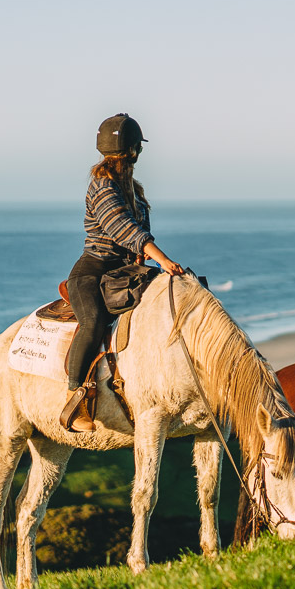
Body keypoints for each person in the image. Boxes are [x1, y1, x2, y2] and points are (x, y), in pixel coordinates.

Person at [61, 113, 184, 432]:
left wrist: (151, 266)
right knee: (93, 322)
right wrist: (165, 261)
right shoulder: (102, 185)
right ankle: (75, 397)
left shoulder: (133, 188)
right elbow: (126, 230)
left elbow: (139, 232)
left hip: (127, 271)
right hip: (93, 271)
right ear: (134, 150)